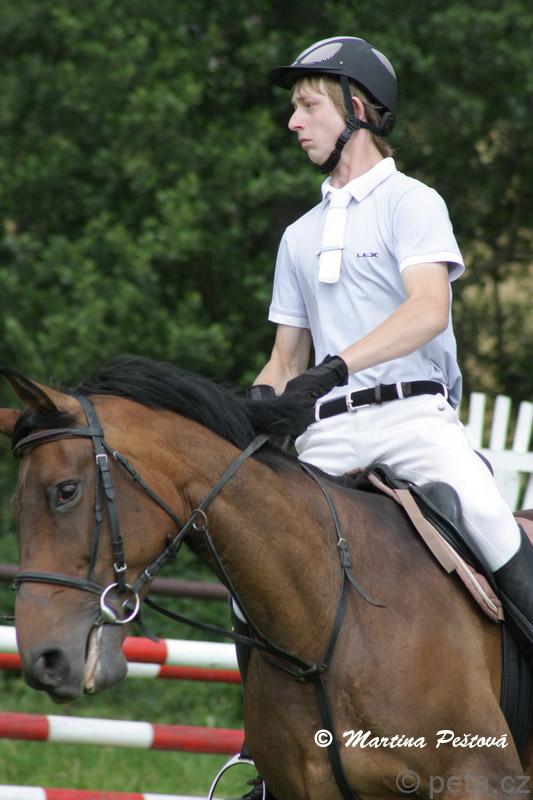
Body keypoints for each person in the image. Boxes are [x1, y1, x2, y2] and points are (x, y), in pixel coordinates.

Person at [226, 35, 533, 800]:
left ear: (357, 110)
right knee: (250, 566)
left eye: (308, 105)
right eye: (294, 107)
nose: (293, 121)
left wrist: (337, 366)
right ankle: (267, 754)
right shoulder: (298, 236)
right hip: (328, 432)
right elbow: (284, 358)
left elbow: (428, 309)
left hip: (412, 418)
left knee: (493, 529)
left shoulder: (411, 202)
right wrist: (255, 405)